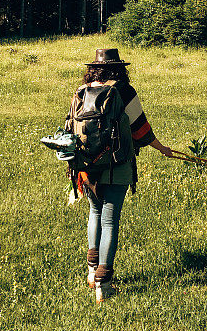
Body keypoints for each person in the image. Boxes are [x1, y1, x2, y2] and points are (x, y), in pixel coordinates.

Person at [65, 48, 172, 303]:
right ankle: (105, 283)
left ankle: (92, 273)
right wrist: (162, 149)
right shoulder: (123, 90)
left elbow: (70, 126)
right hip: (117, 164)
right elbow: (140, 129)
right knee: (110, 220)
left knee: (95, 213)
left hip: (86, 167)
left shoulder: (82, 91)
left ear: (94, 68)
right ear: (119, 68)